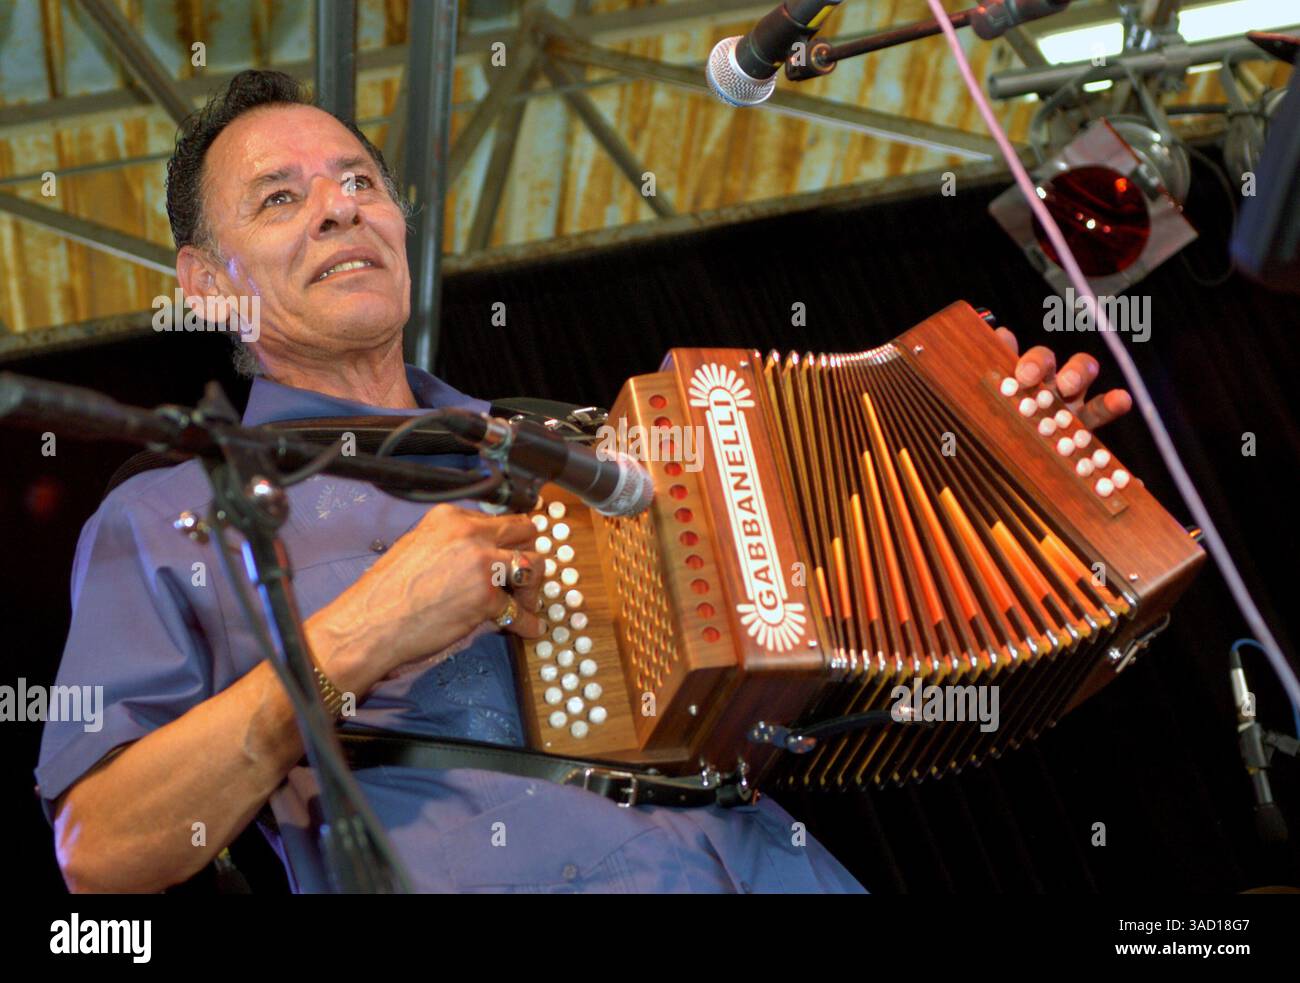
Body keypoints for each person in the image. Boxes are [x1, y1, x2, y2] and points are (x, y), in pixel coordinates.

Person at [35, 70, 1133, 894]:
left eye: (359, 180)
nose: (339, 207)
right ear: (205, 284)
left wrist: (992, 472)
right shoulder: (169, 513)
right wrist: (360, 633)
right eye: (280, 198)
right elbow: (103, 846)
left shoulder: (586, 447)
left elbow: (841, 657)